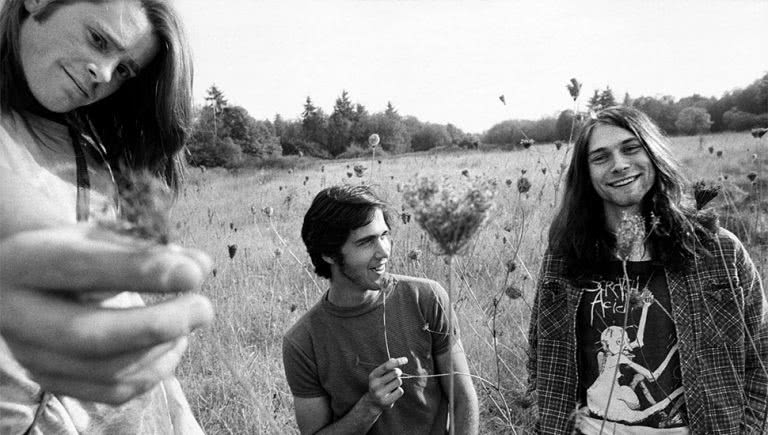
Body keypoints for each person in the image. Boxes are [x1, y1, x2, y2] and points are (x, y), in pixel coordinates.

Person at [0, 0, 213, 433]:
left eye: (124, 71)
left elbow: (122, 307)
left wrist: (182, 418)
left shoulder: (94, 151)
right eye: (98, 39)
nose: (103, 74)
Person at [526, 106, 767, 434]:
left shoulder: (718, 251)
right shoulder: (565, 256)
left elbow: (761, 358)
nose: (619, 165)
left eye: (630, 148)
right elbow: (541, 357)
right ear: (586, 175)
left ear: (653, 154)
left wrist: (748, 430)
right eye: (600, 157)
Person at [283, 185, 480, 434]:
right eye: (366, 242)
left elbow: (463, 399)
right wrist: (370, 406)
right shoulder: (302, 342)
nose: (384, 251)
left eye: (384, 235)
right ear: (329, 254)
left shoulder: (427, 298)